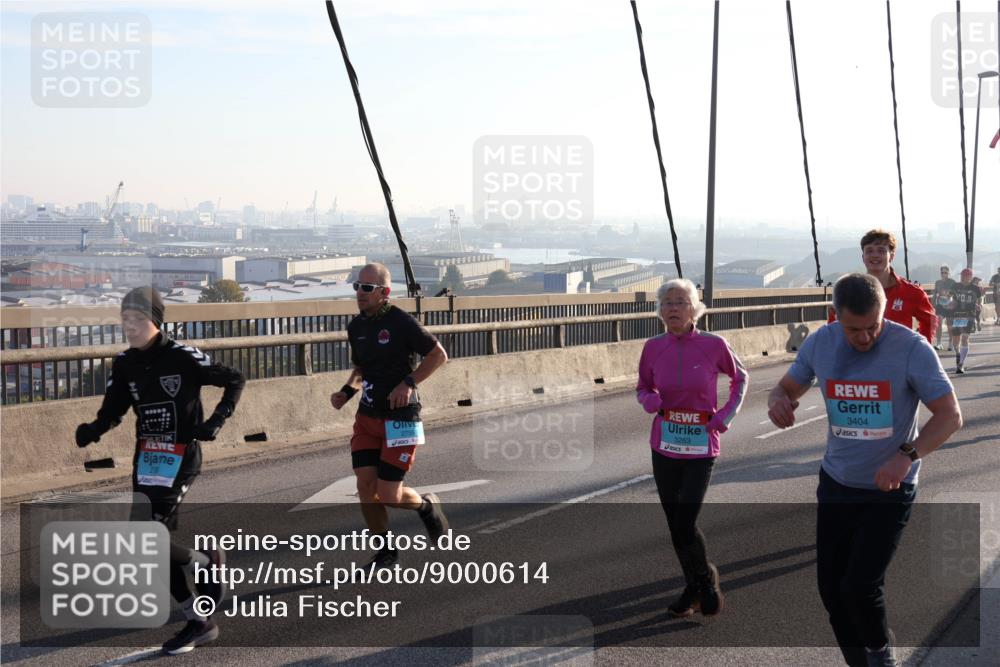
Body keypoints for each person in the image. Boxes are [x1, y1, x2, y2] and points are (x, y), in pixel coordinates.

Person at [767, 274, 962, 666]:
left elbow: (949, 416)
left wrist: (907, 454)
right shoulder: (821, 342)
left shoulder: (911, 348)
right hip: (837, 483)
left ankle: (880, 653)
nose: (866, 337)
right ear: (835, 317)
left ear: (884, 312)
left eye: (873, 325)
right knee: (831, 592)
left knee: (859, 586)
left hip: (890, 488)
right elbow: (786, 387)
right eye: (854, 329)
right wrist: (778, 400)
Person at [75, 287, 246, 655]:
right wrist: (93, 430)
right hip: (148, 459)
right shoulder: (125, 364)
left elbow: (235, 379)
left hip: (181, 457)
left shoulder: (183, 356)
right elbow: (113, 410)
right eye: (125, 320)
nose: (130, 327)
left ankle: (202, 605)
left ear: (155, 320)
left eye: (138, 319)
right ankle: (200, 599)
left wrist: (216, 420)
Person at [636, 278, 748, 618]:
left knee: (686, 521)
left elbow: (741, 378)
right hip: (665, 444)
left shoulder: (714, 345)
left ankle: (705, 579)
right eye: (667, 302)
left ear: (694, 309)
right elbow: (642, 386)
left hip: (701, 445)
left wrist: (725, 416)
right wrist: (649, 400)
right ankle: (693, 588)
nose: (673, 307)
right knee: (675, 526)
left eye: (680, 301)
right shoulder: (653, 347)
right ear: (660, 310)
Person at [330, 263, 450, 569]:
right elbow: (361, 369)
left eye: (367, 288)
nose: (360, 293)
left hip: (401, 418)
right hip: (368, 417)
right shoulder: (355, 326)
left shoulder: (401, 322)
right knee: (364, 487)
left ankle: (425, 506)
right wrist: (346, 391)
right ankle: (386, 553)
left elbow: (438, 355)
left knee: (388, 494)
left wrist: (408, 383)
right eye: (357, 286)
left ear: (384, 293)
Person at [828, 230, 936, 345]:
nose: (875, 255)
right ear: (863, 257)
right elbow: (833, 330)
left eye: (881, 250)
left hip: (897, 358)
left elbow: (930, 321)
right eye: (869, 251)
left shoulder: (912, 292)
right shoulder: (848, 293)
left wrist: (919, 348)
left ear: (891, 256)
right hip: (860, 358)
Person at [950, 268, 980, 374]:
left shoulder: (976, 288)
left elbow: (979, 302)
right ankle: (958, 354)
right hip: (957, 315)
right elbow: (952, 299)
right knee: (956, 340)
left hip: (969, 315)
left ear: (970, 277)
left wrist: (977, 307)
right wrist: (950, 304)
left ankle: (961, 365)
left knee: (965, 338)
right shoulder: (955, 286)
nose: (962, 277)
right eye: (962, 276)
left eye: (965, 276)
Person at [932, 266, 957, 350]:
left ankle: (951, 344)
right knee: (939, 323)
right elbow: (935, 294)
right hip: (940, 305)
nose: (943, 274)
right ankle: (939, 343)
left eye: (945, 272)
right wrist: (933, 306)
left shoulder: (952, 282)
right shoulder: (937, 282)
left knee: (950, 326)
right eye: (942, 272)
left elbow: (956, 294)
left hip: (950, 306)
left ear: (948, 273)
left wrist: (953, 303)